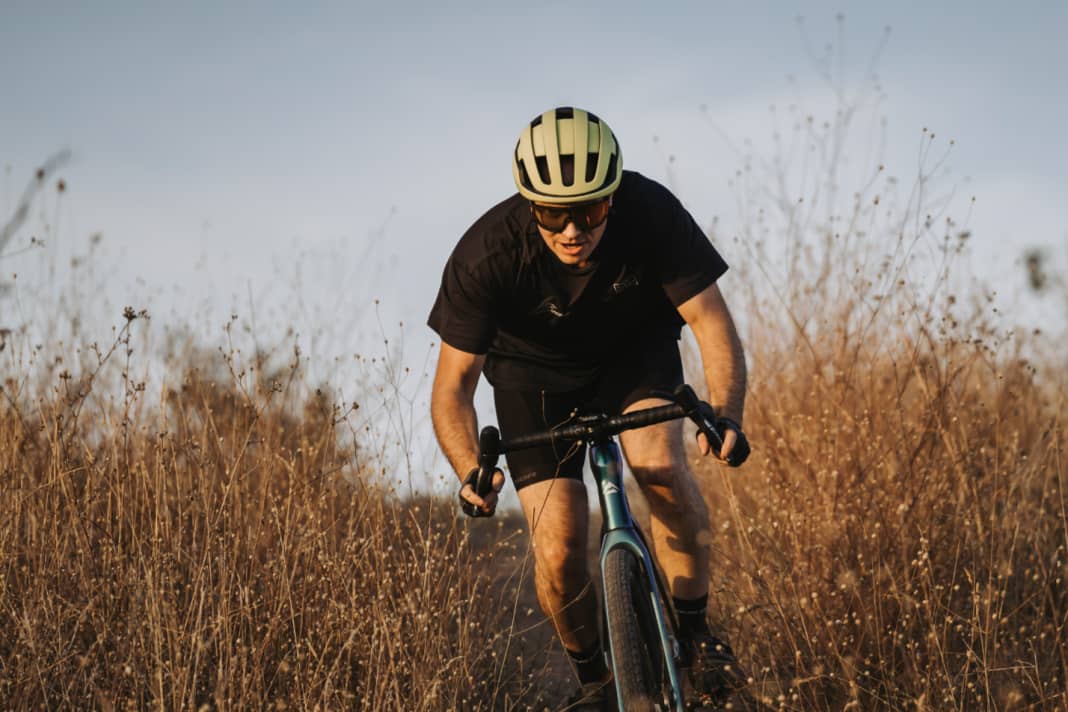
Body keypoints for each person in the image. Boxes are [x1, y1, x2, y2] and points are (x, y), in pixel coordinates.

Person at [428, 106, 749, 709]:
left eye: (591, 211)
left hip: (634, 357)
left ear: (613, 197)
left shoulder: (652, 213)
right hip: (532, 381)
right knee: (557, 548)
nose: (572, 230)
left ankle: (697, 633)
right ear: (530, 204)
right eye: (553, 214)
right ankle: (596, 681)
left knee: (661, 471)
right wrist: (471, 467)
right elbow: (451, 389)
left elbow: (712, 324)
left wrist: (725, 413)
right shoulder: (486, 254)